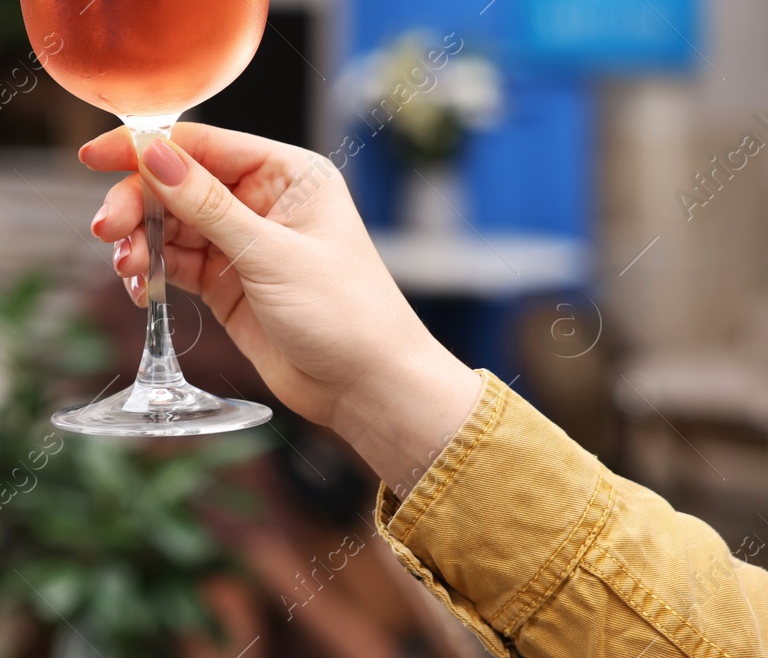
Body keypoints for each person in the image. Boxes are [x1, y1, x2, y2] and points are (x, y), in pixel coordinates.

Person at [81, 122, 768, 658]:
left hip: (288, 458)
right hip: (248, 470)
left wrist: (370, 392)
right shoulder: (124, 311)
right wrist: (377, 386)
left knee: (316, 520)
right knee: (257, 536)